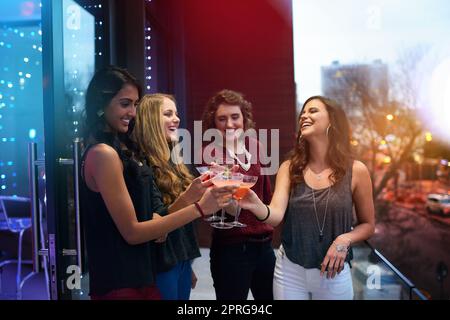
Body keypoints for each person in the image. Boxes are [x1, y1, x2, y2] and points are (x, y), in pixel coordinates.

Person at [80, 66, 235, 300]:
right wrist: (200, 207)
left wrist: (187, 199)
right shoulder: (104, 154)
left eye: (134, 104)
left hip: (142, 275)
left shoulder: (124, 153)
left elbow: (158, 219)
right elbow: (133, 232)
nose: (132, 112)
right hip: (122, 282)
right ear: (101, 104)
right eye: (125, 104)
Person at [239, 95, 375, 300]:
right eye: (303, 112)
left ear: (332, 120)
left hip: (334, 273)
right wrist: (255, 205)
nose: (304, 115)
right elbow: (275, 215)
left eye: (313, 111)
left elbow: (368, 224)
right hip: (289, 271)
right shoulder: (289, 167)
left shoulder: (356, 170)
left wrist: (343, 239)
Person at [200, 89, 276, 300]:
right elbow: (227, 208)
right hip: (231, 248)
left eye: (235, 117)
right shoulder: (210, 154)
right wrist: (227, 192)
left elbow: (265, 195)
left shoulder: (256, 146)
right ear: (214, 124)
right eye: (222, 119)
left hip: (264, 245)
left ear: (244, 118)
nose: (230, 124)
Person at [132, 93, 207, 300]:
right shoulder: (141, 164)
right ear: (150, 121)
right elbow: (158, 226)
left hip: (180, 259)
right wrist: (190, 198)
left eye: (176, 113)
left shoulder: (174, 159)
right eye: (168, 114)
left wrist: (187, 262)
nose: (177, 119)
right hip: (161, 264)